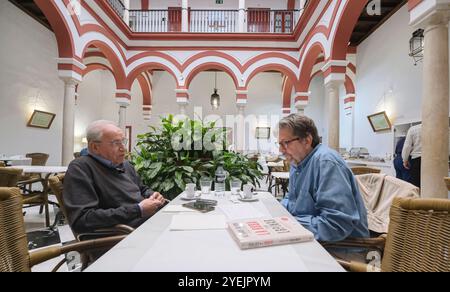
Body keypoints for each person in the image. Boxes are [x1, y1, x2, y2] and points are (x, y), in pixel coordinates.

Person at [64, 120, 167, 234]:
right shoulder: (81, 168)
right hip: (122, 235)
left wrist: (152, 195)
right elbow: (83, 220)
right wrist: (138, 210)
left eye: (123, 141)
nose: (124, 148)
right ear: (95, 147)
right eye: (116, 143)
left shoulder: (125, 164)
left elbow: (141, 189)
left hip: (147, 223)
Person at [278, 114, 369, 242]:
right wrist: (276, 211)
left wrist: (288, 223)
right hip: (311, 238)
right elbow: (292, 199)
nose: (281, 150)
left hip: (340, 248)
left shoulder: (326, 163)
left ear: (307, 140)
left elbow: (336, 225)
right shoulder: (297, 163)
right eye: (280, 144)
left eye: (285, 143)